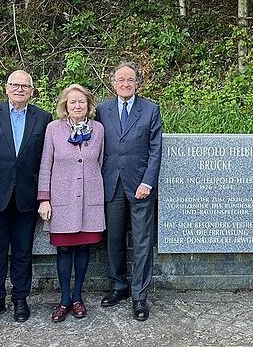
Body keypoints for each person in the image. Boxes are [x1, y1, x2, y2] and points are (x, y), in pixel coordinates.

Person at [0, 70, 51, 326]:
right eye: (15, 85)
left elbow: (45, 161)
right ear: (6, 88)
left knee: (23, 252)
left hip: (27, 196)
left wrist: (44, 196)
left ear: (31, 90)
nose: (19, 89)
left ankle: (20, 299)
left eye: (25, 86)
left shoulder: (43, 118)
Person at [95, 61, 162, 322]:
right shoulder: (102, 109)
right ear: (113, 83)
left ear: (137, 83)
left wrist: (148, 181)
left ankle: (140, 295)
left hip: (140, 186)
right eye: (121, 80)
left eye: (130, 80)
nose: (125, 84)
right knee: (113, 239)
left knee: (142, 241)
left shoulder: (150, 109)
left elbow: (156, 150)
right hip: (110, 183)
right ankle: (118, 286)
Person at [37, 84, 105, 322]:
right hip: (61, 200)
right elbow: (45, 164)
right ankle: (64, 299)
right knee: (64, 249)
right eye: (72, 102)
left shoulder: (98, 129)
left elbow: (101, 163)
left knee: (84, 248)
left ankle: (78, 297)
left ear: (89, 105)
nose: (77, 106)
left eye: (82, 102)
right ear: (65, 105)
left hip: (89, 201)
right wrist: (44, 199)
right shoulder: (53, 129)